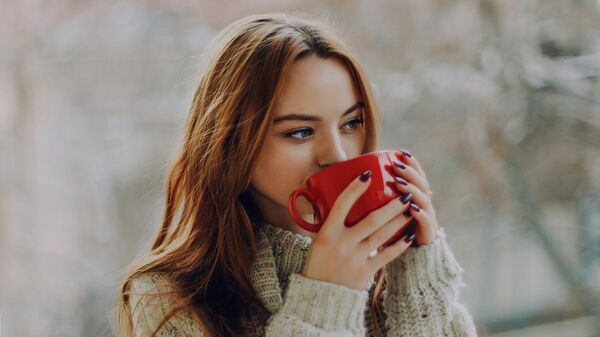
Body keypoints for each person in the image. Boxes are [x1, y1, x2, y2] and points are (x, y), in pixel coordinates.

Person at [115, 12, 478, 337]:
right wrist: (324, 301)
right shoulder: (169, 298)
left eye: (351, 123)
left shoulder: (395, 277)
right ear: (230, 146)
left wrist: (419, 287)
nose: (336, 154)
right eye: (300, 132)